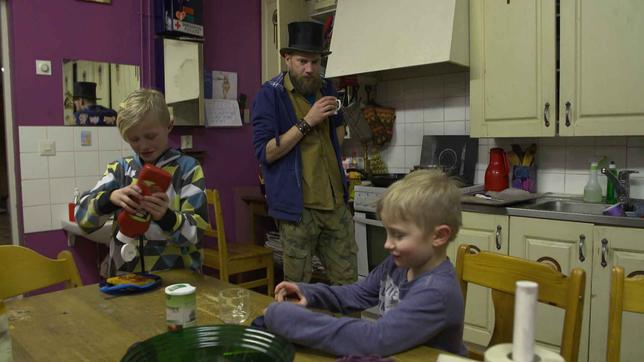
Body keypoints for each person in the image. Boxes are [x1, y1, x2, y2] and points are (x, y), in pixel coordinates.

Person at [259, 170, 467, 357]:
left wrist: (286, 318)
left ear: (439, 236)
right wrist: (309, 292)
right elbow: (357, 294)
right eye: (387, 232)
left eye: (398, 235)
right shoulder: (398, 264)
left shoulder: (436, 292)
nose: (387, 243)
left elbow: (374, 339)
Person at [251, 21, 357, 285]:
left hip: (336, 207)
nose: (310, 69)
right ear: (287, 58)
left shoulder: (328, 89)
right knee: (298, 289)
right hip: (298, 211)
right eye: (302, 61)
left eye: (315, 61)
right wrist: (307, 121)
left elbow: (339, 132)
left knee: (348, 288)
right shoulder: (270, 95)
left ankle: (348, 329)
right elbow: (265, 153)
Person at [76, 88, 209, 277]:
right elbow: (82, 220)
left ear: (169, 126)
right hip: (124, 278)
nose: (143, 146)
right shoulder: (120, 170)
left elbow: (196, 235)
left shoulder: (187, 169)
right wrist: (109, 199)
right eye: (134, 139)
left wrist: (166, 217)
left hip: (176, 281)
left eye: (150, 136)